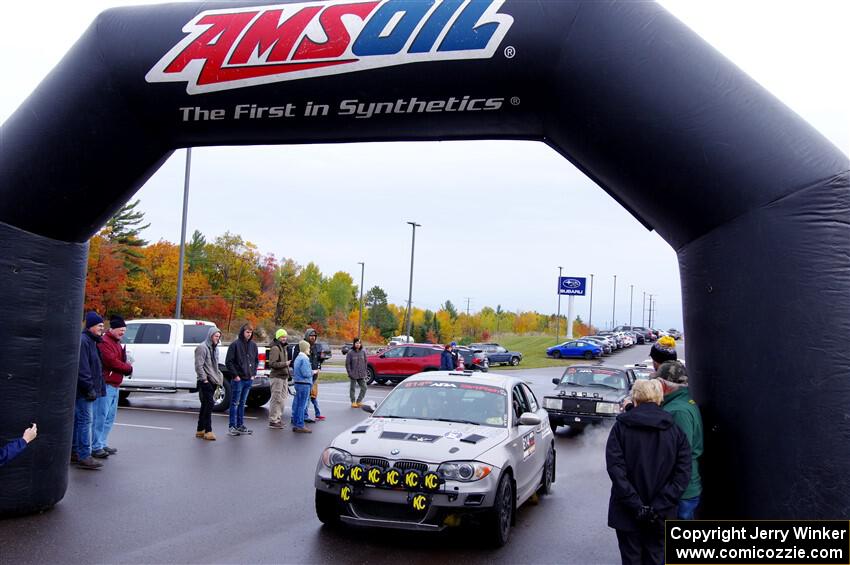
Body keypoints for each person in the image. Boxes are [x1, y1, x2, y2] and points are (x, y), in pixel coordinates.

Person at [606, 379, 691, 565]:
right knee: (656, 557)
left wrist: (637, 506)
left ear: (635, 398)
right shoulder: (675, 432)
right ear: (659, 399)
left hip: (627, 513)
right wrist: (657, 507)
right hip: (661, 514)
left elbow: (616, 470)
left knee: (631, 559)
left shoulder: (620, 428)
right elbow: (682, 475)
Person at [655, 360, 703, 519]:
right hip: (683, 488)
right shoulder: (682, 403)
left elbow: (681, 454)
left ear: (665, 384)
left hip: (680, 491)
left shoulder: (677, 411)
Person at [92, 315, 133, 458]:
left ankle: (102, 443)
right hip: (106, 385)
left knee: (109, 417)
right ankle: (95, 445)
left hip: (115, 385)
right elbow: (111, 361)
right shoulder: (105, 342)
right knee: (100, 417)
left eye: (124, 330)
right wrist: (128, 368)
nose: (122, 332)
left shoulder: (116, 342)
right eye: (120, 329)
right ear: (112, 329)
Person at [74, 311, 105, 470]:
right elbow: (83, 368)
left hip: (86, 389)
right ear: (91, 326)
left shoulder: (91, 341)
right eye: (100, 325)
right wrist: (89, 388)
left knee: (80, 421)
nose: (102, 328)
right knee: (85, 422)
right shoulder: (84, 341)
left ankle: (76, 452)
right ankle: (84, 455)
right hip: (84, 391)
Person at [225, 324, 259, 436]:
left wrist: (253, 374)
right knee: (235, 403)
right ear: (242, 332)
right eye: (247, 332)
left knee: (242, 403)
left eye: (250, 332)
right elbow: (229, 362)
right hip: (238, 380)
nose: (249, 334)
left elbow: (256, 360)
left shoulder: (253, 345)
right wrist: (235, 376)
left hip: (248, 378)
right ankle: (232, 426)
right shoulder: (235, 345)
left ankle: (240, 425)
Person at [194, 326, 223, 440]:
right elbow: (198, 365)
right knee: (210, 404)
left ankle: (200, 429)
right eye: (216, 336)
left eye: (219, 336)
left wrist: (218, 379)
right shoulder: (202, 347)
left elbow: (215, 366)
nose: (217, 338)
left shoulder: (215, 349)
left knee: (206, 405)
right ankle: (208, 431)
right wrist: (204, 379)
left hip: (213, 379)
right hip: (205, 380)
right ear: (211, 336)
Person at [267, 329, 291, 429]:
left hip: (284, 377)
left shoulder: (284, 347)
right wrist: (285, 364)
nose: (284, 338)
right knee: (276, 399)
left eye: (285, 337)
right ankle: (273, 420)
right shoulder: (275, 348)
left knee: (282, 399)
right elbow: (272, 364)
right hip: (277, 377)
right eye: (282, 337)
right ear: (278, 337)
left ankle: (278, 418)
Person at [291, 340, 315, 433]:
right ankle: (300, 425)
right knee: (302, 405)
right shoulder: (304, 359)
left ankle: (297, 423)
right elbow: (305, 373)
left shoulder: (298, 358)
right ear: (305, 348)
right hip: (304, 384)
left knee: (298, 405)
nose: (309, 349)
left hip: (298, 383)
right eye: (308, 348)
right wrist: (313, 372)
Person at [304, 328, 324, 422]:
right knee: (307, 397)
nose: (313, 338)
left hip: (315, 376)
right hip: (307, 376)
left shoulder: (316, 347)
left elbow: (318, 359)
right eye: (311, 336)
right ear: (307, 336)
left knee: (314, 395)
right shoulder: (304, 346)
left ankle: (318, 414)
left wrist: (321, 358)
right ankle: (305, 415)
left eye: (314, 336)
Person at [345, 338, 368, 408]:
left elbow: (365, 362)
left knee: (364, 387)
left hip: (361, 374)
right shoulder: (350, 352)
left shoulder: (363, 352)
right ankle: (353, 402)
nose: (358, 344)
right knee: (352, 388)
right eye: (356, 343)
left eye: (359, 343)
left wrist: (365, 370)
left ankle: (359, 401)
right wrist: (350, 373)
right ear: (354, 344)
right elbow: (347, 364)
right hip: (353, 374)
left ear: (361, 344)